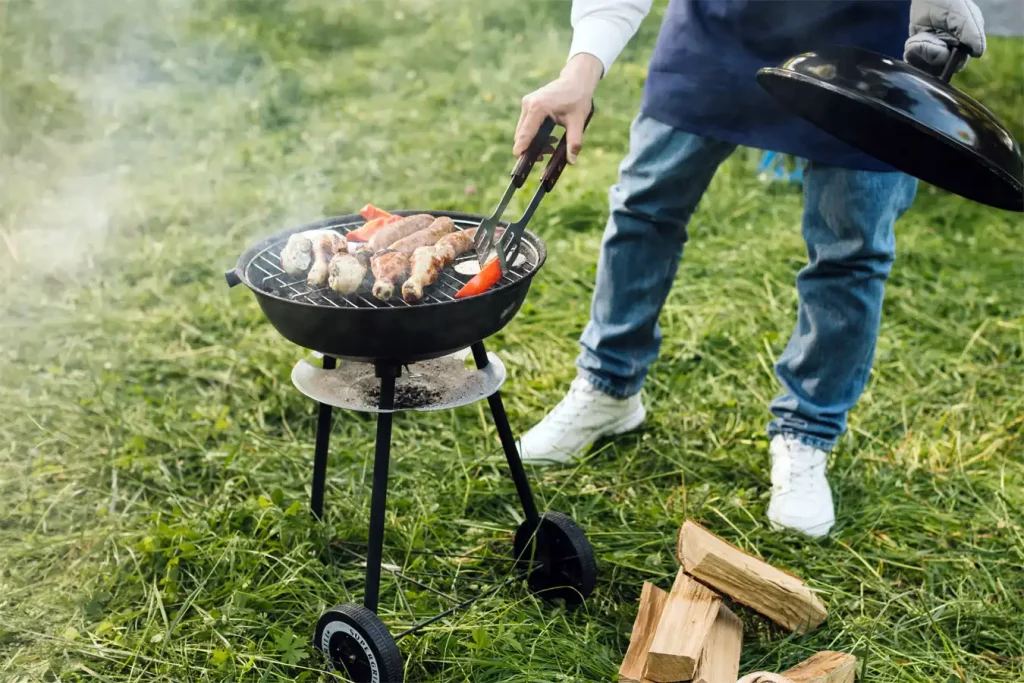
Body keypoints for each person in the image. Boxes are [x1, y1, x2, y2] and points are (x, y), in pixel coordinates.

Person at [513, 0, 986, 537]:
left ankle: (808, 432)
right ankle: (608, 385)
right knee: (643, 208)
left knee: (851, 252)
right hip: (719, 29)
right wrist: (581, 67)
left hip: (869, 37)